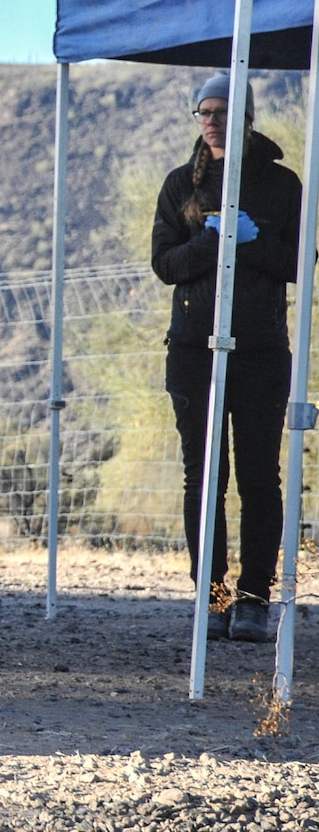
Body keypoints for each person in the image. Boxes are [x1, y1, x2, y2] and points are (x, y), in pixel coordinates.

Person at [151, 72, 299, 644]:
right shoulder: (178, 186)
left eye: (221, 111)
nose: (211, 121)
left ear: (246, 116)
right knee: (204, 475)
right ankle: (212, 598)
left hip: (261, 349)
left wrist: (252, 239)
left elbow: (296, 263)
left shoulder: (283, 186)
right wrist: (212, 242)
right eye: (203, 112)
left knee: (260, 475)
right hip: (193, 347)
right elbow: (165, 264)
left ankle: (254, 599)